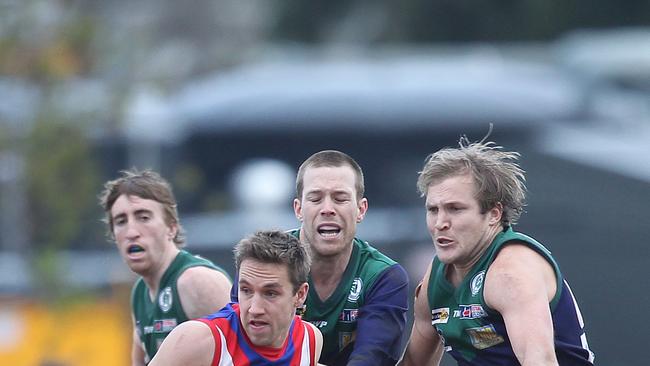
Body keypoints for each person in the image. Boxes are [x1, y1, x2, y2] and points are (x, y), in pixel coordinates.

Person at [398, 136, 595, 365]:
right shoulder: (437, 275)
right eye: (433, 210)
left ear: (494, 214)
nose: (440, 222)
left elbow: (539, 361)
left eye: (455, 209)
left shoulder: (510, 273)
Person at [99, 168, 232, 366]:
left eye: (143, 217)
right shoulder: (140, 292)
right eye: (121, 221)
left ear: (171, 227)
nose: (131, 231)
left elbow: (248, 353)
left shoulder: (197, 281)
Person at [293, 150, 409, 365]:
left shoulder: (383, 276)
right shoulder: (265, 261)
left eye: (340, 198)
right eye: (315, 198)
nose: (327, 209)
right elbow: (238, 343)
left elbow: (371, 358)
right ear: (299, 209)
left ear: (361, 209)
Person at [149, 230, 323, 365]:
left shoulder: (310, 340)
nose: (254, 309)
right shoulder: (197, 340)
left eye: (270, 293)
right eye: (246, 290)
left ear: (300, 295)